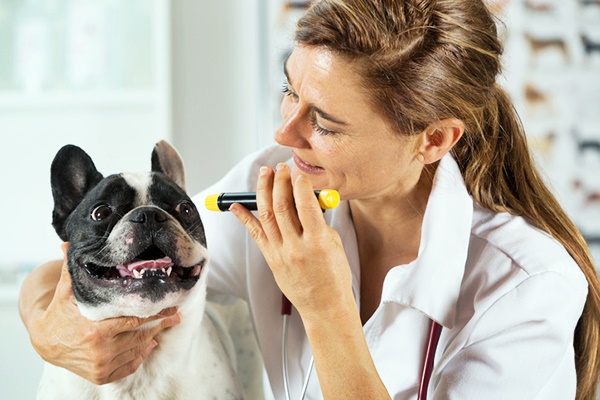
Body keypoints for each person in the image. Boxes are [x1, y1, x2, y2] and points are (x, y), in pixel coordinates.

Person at [18, 0, 600, 399]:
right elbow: (79, 262)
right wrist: (48, 327)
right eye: (288, 92)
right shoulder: (270, 183)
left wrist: (325, 307)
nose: (283, 134)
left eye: (324, 121)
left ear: (433, 138)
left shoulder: (528, 287)